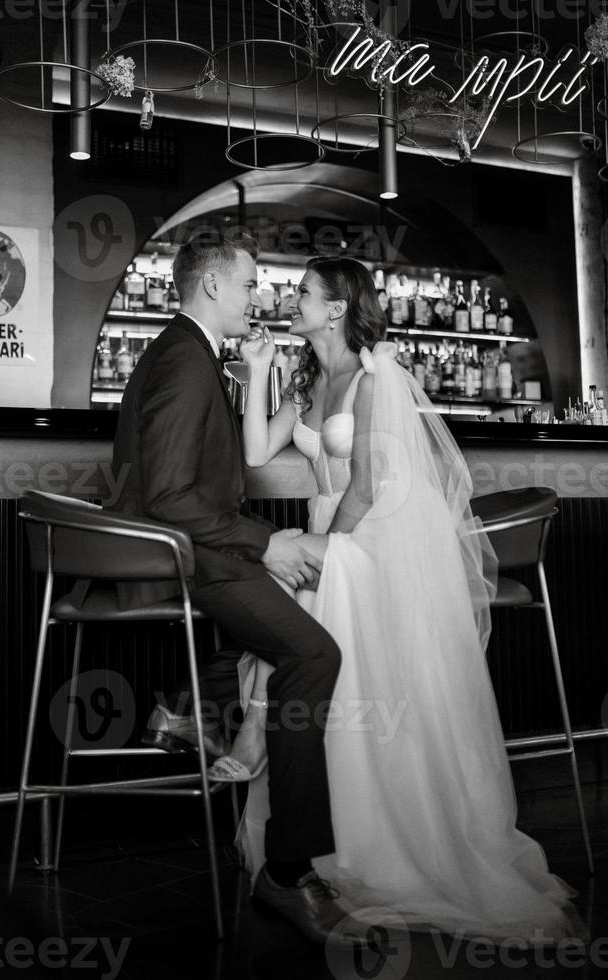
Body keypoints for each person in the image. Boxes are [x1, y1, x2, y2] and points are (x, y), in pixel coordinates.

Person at [215, 255, 580, 943]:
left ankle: (259, 728)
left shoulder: (376, 376)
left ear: (336, 307)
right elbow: (259, 452)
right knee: (278, 577)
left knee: (279, 574)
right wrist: (259, 369)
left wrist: (334, 556)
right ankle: (280, 757)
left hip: (372, 537)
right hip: (336, 537)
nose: (288, 301)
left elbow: (367, 487)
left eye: (301, 294)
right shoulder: (308, 376)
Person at [110, 233, 352, 945]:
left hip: (187, 550)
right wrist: (266, 541)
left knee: (279, 630)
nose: (260, 297)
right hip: (183, 557)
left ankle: (193, 709)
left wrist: (259, 543)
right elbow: (170, 498)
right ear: (212, 285)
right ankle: (286, 871)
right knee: (315, 654)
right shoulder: (187, 362)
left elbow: (193, 486)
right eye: (250, 285)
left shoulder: (181, 350)